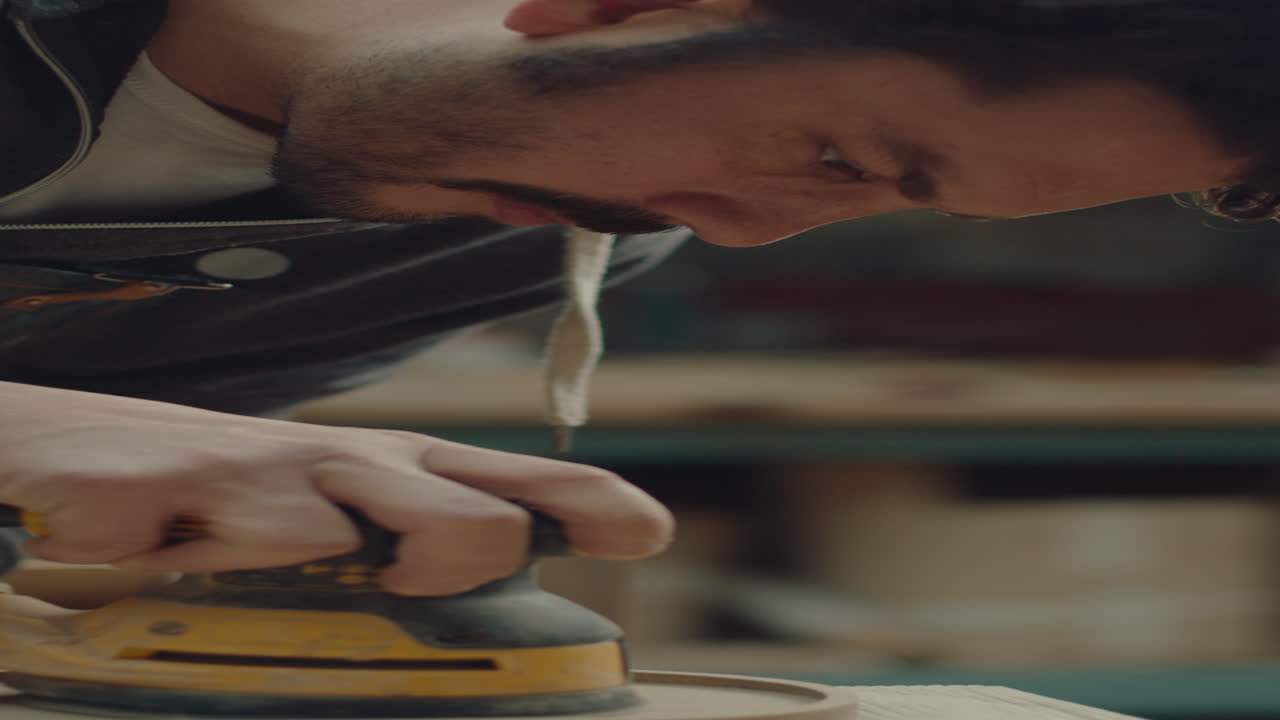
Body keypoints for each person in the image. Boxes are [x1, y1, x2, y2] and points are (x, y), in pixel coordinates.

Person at [0, 0, 1274, 596]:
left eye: (894, 204)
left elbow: (51, 532)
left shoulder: (509, 242)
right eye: (833, 160)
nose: (743, 234)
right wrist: (37, 428)